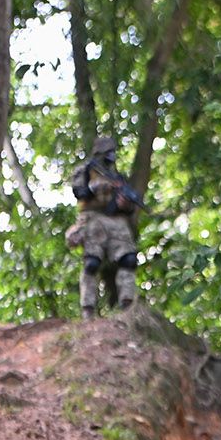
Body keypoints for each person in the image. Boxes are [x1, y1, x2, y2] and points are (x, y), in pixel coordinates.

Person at [67, 134, 139, 317]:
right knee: (92, 262)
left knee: (129, 260)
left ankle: (127, 307)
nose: (111, 156)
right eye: (108, 152)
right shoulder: (85, 170)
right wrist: (94, 187)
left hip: (116, 220)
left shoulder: (118, 178)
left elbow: (129, 208)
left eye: (113, 152)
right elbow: (79, 192)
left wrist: (126, 204)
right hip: (92, 218)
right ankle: (88, 309)